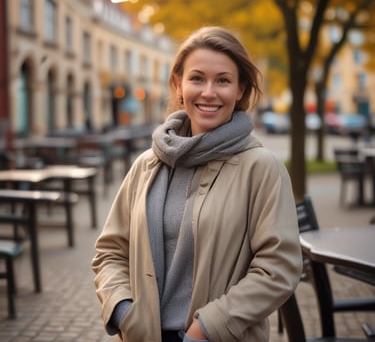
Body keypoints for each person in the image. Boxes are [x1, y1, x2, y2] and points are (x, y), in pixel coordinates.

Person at [92, 26, 302, 342]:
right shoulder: (146, 165)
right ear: (178, 85)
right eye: (197, 78)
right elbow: (110, 251)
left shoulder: (261, 168)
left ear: (241, 89)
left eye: (223, 80)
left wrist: (206, 330)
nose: (208, 92)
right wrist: (123, 310)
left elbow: (278, 269)